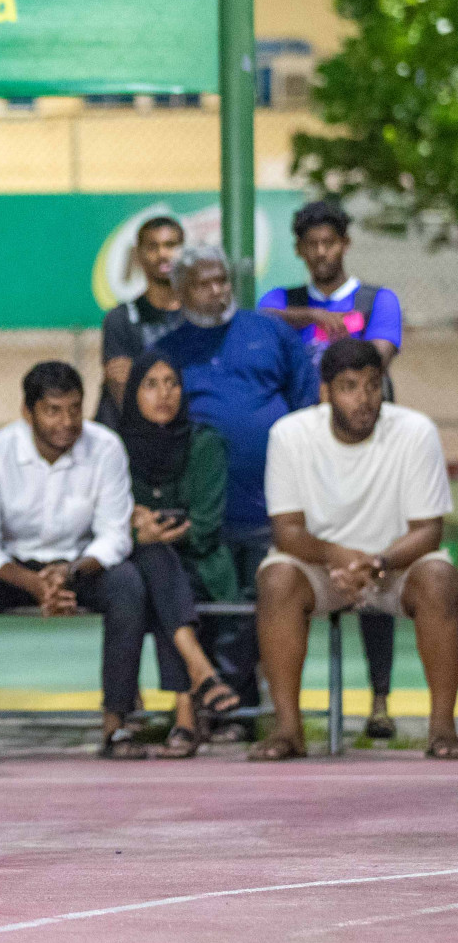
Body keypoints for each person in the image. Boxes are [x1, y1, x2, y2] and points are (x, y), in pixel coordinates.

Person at [250, 339, 458, 761]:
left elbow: (429, 531)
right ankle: (289, 729)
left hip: (397, 565)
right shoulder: (289, 435)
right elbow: (287, 532)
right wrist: (337, 555)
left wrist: (378, 562)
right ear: (325, 393)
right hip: (320, 565)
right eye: (349, 386)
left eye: (372, 386)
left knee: (440, 576)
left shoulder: (414, 431)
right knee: (276, 579)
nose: (364, 399)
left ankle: (442, 726)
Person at [0, 362, 150, 760]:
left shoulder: (105, 446)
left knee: (127, 583)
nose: (67, 421)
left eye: (75, 409)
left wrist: (70, 572)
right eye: (53, 410)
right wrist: (34, 583)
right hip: (14, 568)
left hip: (80, 565)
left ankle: (117, 726)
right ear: (28, 412)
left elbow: (115, 535)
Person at [156, 246, 319, 736]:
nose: (218, 290)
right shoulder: (171, 350)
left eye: (222, 280)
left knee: (263, 611)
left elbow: (305, 402)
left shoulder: (268, 331)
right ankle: (221, 713)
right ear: (183, 291)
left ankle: (264, 716)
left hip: (272, 506)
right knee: (215, 614)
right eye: (205, 283)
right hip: (208, 512)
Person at [259, 199, 405, 739]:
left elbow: (377, 359)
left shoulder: (377, 300)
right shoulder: (283, 300)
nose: (321, 252)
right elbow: (256, 321)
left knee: (373, 561)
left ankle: (381, 700)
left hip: (366, 455)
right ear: (299, 250)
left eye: (330, 242)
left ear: (344, 244)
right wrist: (312, 318)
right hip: (304, 461)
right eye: (311, 244)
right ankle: (282, 709)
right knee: (287, 571)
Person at [115, 351, 242, 758]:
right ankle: (195, 693)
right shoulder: (114, 448)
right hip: (137, 565)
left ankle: (176, 715)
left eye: (172, 383)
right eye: (150, 384)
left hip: (199, 563)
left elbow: (204, 527)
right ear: (134, 392)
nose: (163, 394)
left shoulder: (205, 443)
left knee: (161, 570)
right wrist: (138, 533)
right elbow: (106, 519)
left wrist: (146, 531)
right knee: (155, 570)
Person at [96, 216, 187, 427]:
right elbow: (120, 383)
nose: (162, 254)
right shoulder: (121, 318)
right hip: (136, 433)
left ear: (184, 251)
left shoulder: (196, 317)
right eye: (152, 247)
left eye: (170, 245)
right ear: (139, 254)